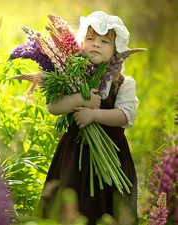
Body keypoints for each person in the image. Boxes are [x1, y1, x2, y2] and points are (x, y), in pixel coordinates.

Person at [38, 11, 139, 225]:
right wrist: (78, 98)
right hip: (74, 154)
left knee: (107, 203)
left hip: (112, 150)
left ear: (116, 50)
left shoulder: (123, 82)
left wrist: (93, 115)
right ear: (80, 43)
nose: (96, 44)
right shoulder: (71, 75)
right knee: (68, 200)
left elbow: (125, 116)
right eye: (90, 39)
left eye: (104, 41)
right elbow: (53, 106)